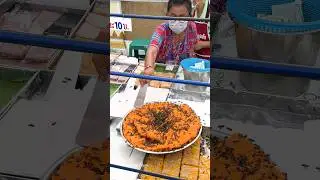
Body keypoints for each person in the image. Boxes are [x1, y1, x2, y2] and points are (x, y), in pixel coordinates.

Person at [140, 0, 199, 86]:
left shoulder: (192, 28)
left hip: (181, 72)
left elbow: (192, 48)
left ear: (190, 16)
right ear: (167, 15)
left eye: (182, 17)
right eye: (173, 16)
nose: (177, 21)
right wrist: (149, 68)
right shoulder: (162, 29)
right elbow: (152, 50)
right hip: (160, 72)